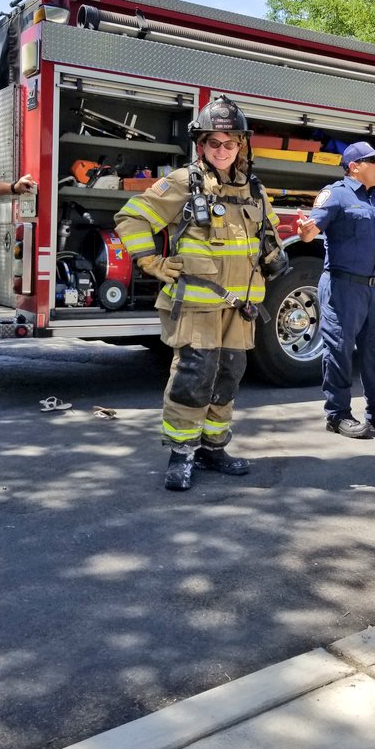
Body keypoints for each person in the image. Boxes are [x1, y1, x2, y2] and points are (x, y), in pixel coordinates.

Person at [115, 95, 287, 491]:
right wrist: (150, 261)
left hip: (240, 310)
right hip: (196, 307)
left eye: (230, 143)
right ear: (201, 145)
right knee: (193, 378)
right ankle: (181, 454)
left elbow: (269, 236)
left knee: (228, 377)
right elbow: (132, 216)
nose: (222, 151)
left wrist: (284, 248)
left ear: (241, 145)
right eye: (214, 143)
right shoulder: (182, 182)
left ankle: (213, 448)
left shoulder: (254, 189)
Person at [297, 140, 375, 438]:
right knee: (338, 351)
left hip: (371, 288)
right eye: (372, 161)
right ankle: (337, 415)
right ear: (354, 167)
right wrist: (304, 231)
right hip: (341, 285)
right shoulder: (335, 194)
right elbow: (312, 231)